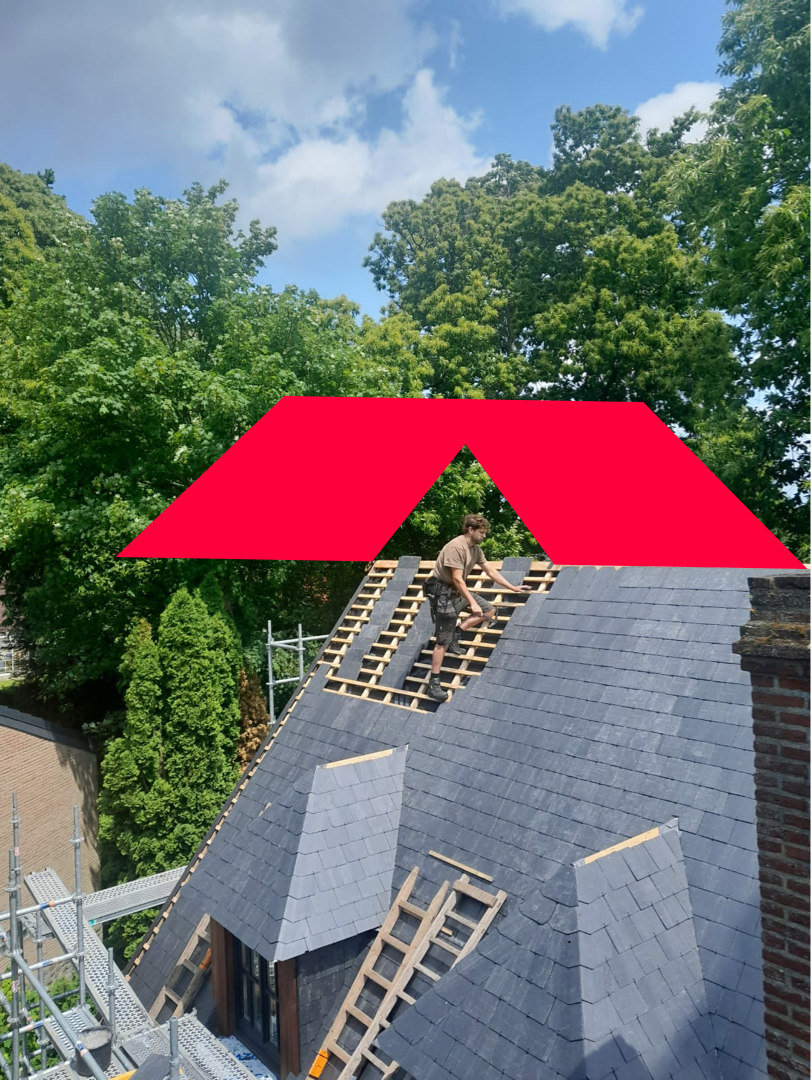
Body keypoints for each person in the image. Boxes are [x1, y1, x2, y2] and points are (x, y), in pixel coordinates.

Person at [422, 514, 532, 703]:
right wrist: (471, 602)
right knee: (442, 640)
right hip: (442, 594)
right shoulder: (456, 547)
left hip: (455, 591)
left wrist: (512, 587)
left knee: (488, 610)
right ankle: (434, 684)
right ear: (470, 530)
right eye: (481, 532)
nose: (484, 536)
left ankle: (457, 633)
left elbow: (490, 571)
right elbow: (457, 578)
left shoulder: (476, 549)